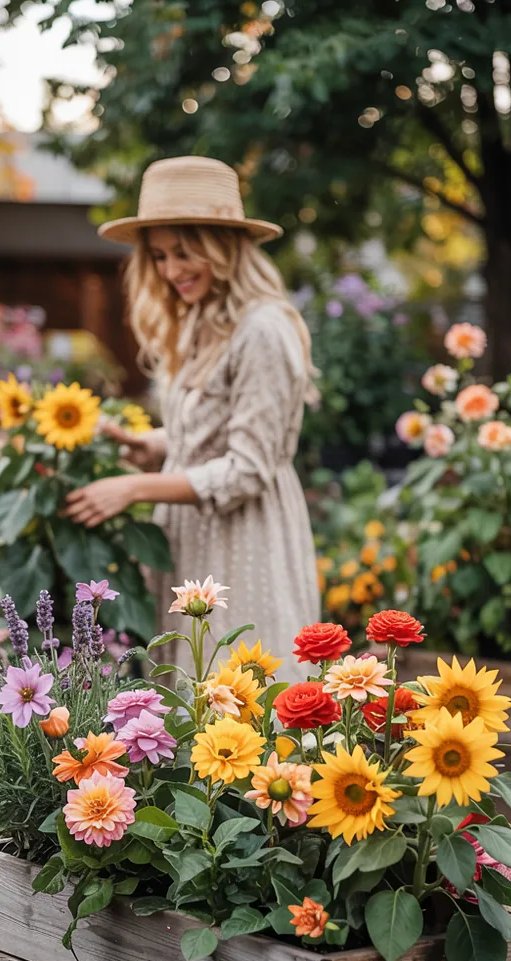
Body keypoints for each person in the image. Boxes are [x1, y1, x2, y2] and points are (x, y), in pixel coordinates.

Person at [66, 155, 320, 679]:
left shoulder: (262, 329)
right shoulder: (202, 320)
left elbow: (249, 468)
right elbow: (218, 428)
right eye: (159, 256)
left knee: (242, 692)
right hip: (193, 539)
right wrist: (156, 445)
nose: (170, 270)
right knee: (190, 698)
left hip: (242, 537)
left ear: (224, 246)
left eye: (184, 252)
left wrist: (133, 488)